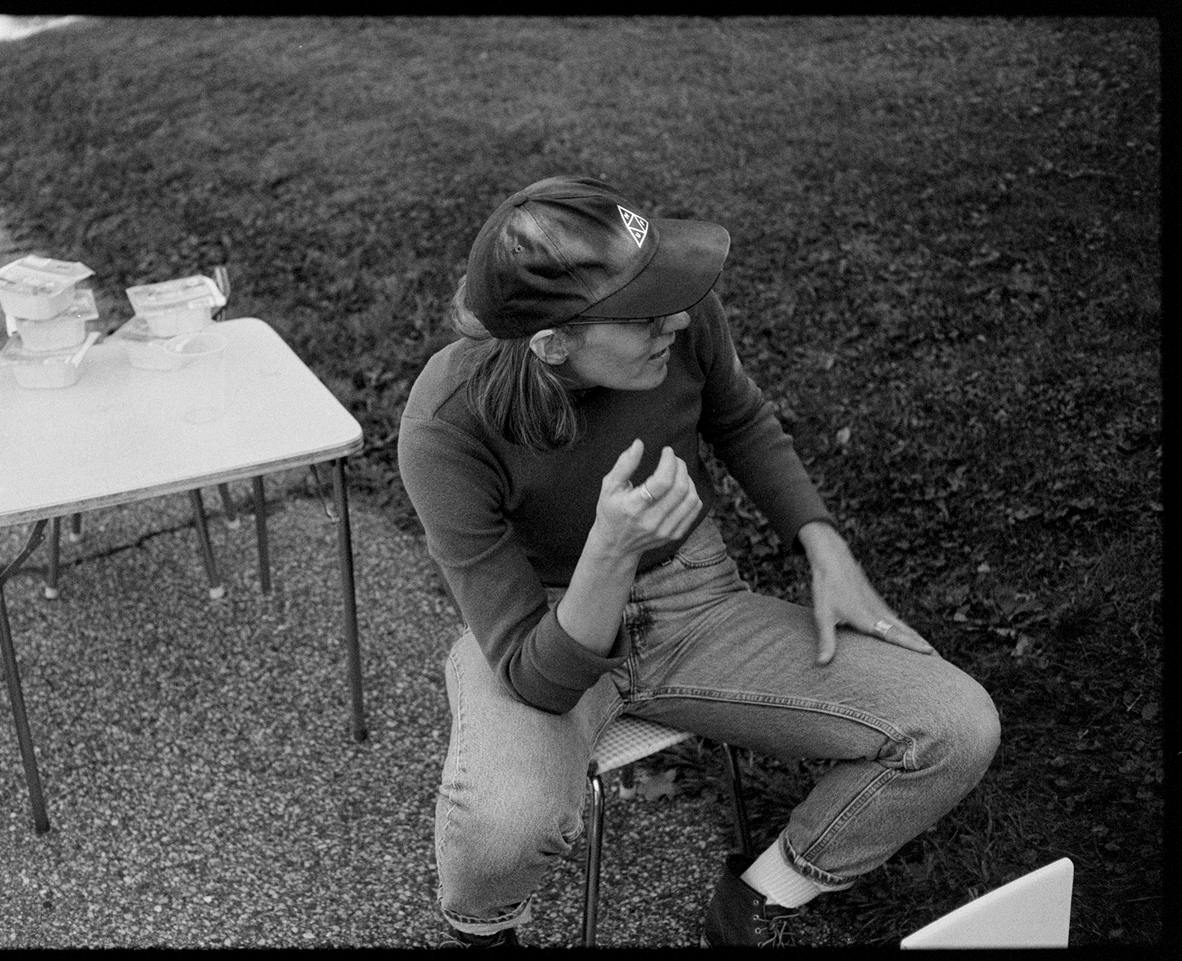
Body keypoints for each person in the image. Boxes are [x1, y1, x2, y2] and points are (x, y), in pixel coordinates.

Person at [397, 175, 1000, 948]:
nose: (677, 319)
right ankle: (488, 935)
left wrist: (824, 545)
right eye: (646, 313)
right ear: (554, 343)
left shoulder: (679, 320)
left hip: (700, 602)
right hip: (544, 624)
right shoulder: (445, 424)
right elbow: (531, 674)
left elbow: (740, 417)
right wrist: (609, 553)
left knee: (954, 727)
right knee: (501, 830)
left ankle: (754, 906)